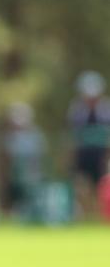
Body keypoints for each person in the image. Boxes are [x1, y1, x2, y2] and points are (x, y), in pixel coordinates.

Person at [68, 70, 110, 218]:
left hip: (101, 154)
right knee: (82, 186)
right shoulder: (77, 110)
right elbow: (73, 136)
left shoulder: (106, 110)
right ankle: (86, 216)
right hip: (83, 154)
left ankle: (99, 215)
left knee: (102, 186)